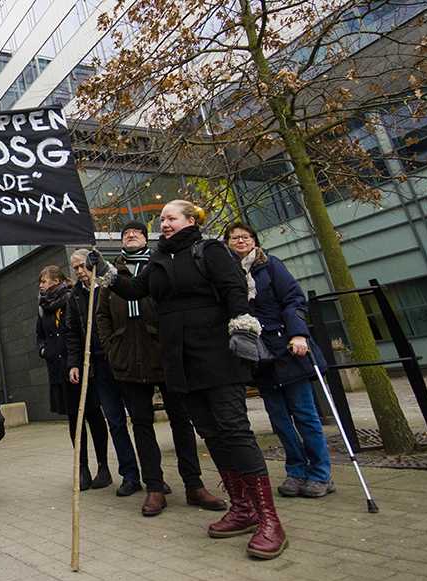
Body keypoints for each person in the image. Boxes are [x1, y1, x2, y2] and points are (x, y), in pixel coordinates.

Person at [92, 200, 288, 560]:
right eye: (161, 219)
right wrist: (105, 271)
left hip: (216, 354)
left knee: (234, 430)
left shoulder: (210, 250)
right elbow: (136, 292)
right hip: (178, 360)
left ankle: (269, 520)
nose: (163, 224)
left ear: (189, 220)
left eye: (170, 217)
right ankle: (241, 509)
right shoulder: (159, 260)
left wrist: (242, 327)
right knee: (210, 432)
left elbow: (233, 290)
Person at [97, 220, 228, 515]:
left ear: (146, 238)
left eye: (137, 232)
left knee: (181, 420)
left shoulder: (159, 264)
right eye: (126, 233)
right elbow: (102, 315)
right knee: (141, 423)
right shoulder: (112, 272)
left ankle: (194, 485)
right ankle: (154, 487)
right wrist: (111, 346)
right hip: (129, 357)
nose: (131, 235)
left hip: (165, 352)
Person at [225, 221, 335, 499]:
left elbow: (294, 300)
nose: (240, 241)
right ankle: (296, 471)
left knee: (305, 415)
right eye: (234, 237)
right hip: (258, 357)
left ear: (254, 239)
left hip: (287, 350)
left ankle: (321, 474)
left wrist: (299, 335)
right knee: (280, 420)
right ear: (226, 242)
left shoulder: (270, 265)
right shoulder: (227, 274)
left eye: (246, 237)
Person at [65, 249, 136, 498]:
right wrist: (74, 363)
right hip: (97, 365)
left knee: (138, 417)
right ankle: (129, 475)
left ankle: (152, 474)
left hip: (121, 359)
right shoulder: (73, 296)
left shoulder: (108, 286)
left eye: (82, 266)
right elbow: (73, 333)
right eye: (74, 268)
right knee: (115, 421)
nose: (79, 271)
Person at [36, 265, 110, 490]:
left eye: (44, 280)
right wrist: (44, 350)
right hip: (58, 369)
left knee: (93, 415)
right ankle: (82, 468)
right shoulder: (43, 307)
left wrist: (76, 360)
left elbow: (81, 330)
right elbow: (40, 335)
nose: (41, 285)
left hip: (79, 367)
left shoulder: (73, 299)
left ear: (57, 281)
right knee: (73, 420)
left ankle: (103, 467)